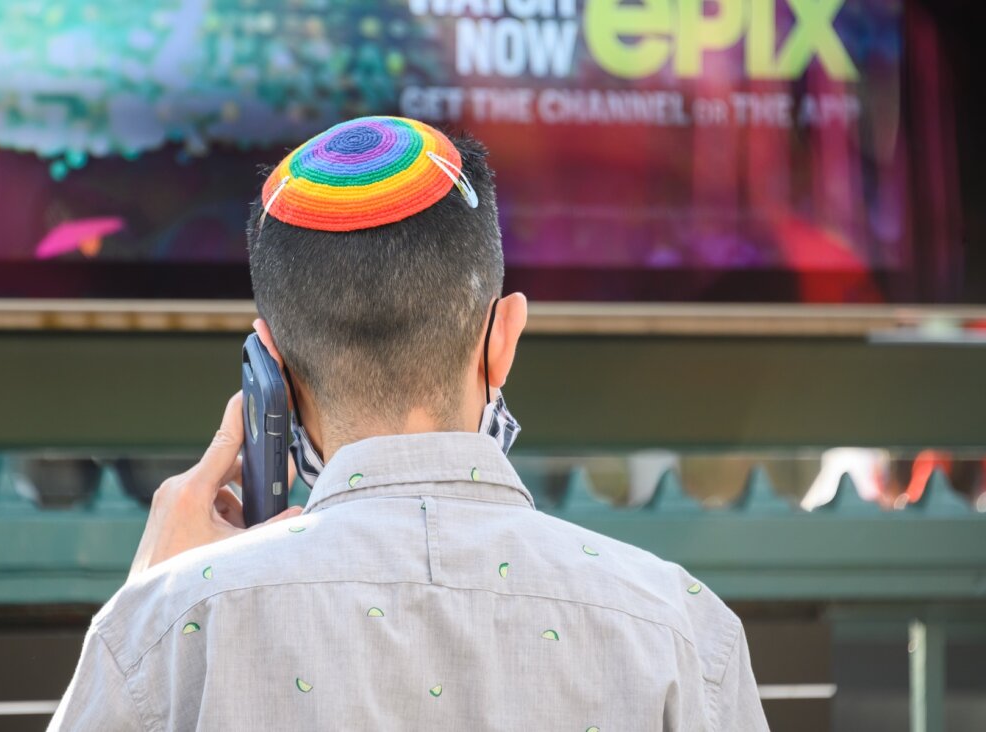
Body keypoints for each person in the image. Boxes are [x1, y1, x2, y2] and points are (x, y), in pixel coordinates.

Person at [49, 117, 770, 731]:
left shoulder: (166, 630)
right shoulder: (683, 631)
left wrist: (149, 598)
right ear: (504, 337)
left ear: (269, 366)